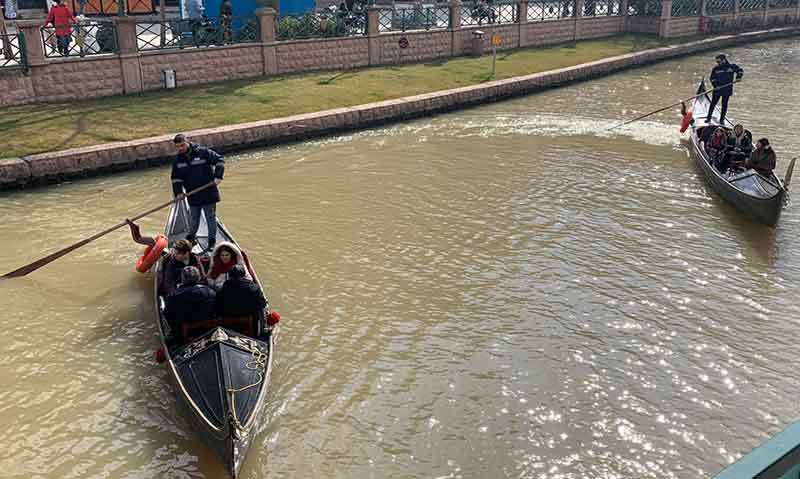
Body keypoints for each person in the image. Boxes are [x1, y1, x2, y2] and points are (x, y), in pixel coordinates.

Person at [171, 133, 225, 252]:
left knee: (210, 217)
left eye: (182, 145)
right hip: (192, 194)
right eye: (178, 147)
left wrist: (218, 176)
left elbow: (220, 160)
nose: (180, 148)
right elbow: (176, 179)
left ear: (187, 142)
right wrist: (178, 193)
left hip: (208, 191)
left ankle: (211, 242)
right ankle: (191, 239)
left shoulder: (203, 152)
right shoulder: (177, 160)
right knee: (194, 218)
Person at [164, 266, 216, 343]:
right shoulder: (210, 291)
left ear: (183, 279)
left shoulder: (173, 296)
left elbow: (169, 315)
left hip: (185, 330)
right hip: (207, 327)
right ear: (198, 278)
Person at [216, 264, 267, 334]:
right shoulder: (254, 288)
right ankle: (260, 331)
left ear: (230, 276)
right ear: (244, 275)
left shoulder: (223, 288)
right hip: (248, 317)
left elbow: (217, 303)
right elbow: (262, 304)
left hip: (227, 316)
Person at [706, 54, 743, 125]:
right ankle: (708, 118)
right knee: (713, 103)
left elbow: (740, 71)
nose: (718, 63)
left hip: (727, 89)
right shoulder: (715, 69)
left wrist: (738, 77)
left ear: (724, 60)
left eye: (719, 61)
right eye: (717, 62)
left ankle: (722, 120)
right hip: (717, 89)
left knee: (724, 104)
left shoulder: (732, 67)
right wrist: (715, 85)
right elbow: (712, 78)